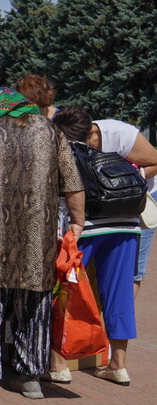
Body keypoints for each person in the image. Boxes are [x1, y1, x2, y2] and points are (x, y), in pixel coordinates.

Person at [0, 88, 85, 405]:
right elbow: (72, 179)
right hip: (37, 234)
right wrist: (77, 222)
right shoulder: (48, 130)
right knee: (34, 305)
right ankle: (30, 379)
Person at [51, 106, 157, 386]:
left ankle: (58, 363)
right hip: (126, 224)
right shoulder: (117, 140)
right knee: (120, 295)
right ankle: (118, 366)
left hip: (84, 227)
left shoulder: (64, 149)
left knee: (67, 290)